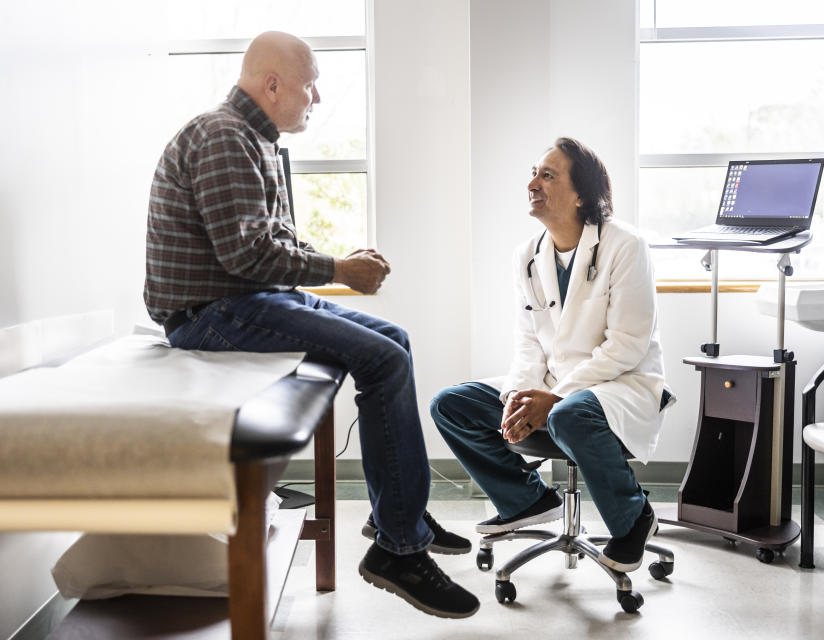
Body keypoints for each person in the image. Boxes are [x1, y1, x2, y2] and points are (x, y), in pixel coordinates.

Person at [144, 31, 478, 618]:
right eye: (309, 85)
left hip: (247, 299)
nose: (315, 98)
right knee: (387, 360)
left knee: (394, 341)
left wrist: (337, 263)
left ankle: (394, 511)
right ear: (272, 85)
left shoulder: (253, 139)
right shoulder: (224, 137)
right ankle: (399, 551)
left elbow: (266, 244)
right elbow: (246, 257)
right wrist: (340, 271)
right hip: (208, 316)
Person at [431, 137, 674, 572]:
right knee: (452, 404)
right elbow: (528, 339)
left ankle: (634, 516)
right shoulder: (528, 255)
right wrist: (518, 394)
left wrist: (555, 398)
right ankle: (525, 499)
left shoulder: (626, 246)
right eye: (533, 173)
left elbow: (627, 345)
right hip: (555, 389)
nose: (533, 183)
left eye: (547, 175)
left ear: (581, 193)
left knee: (568, 414)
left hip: (619, 385)